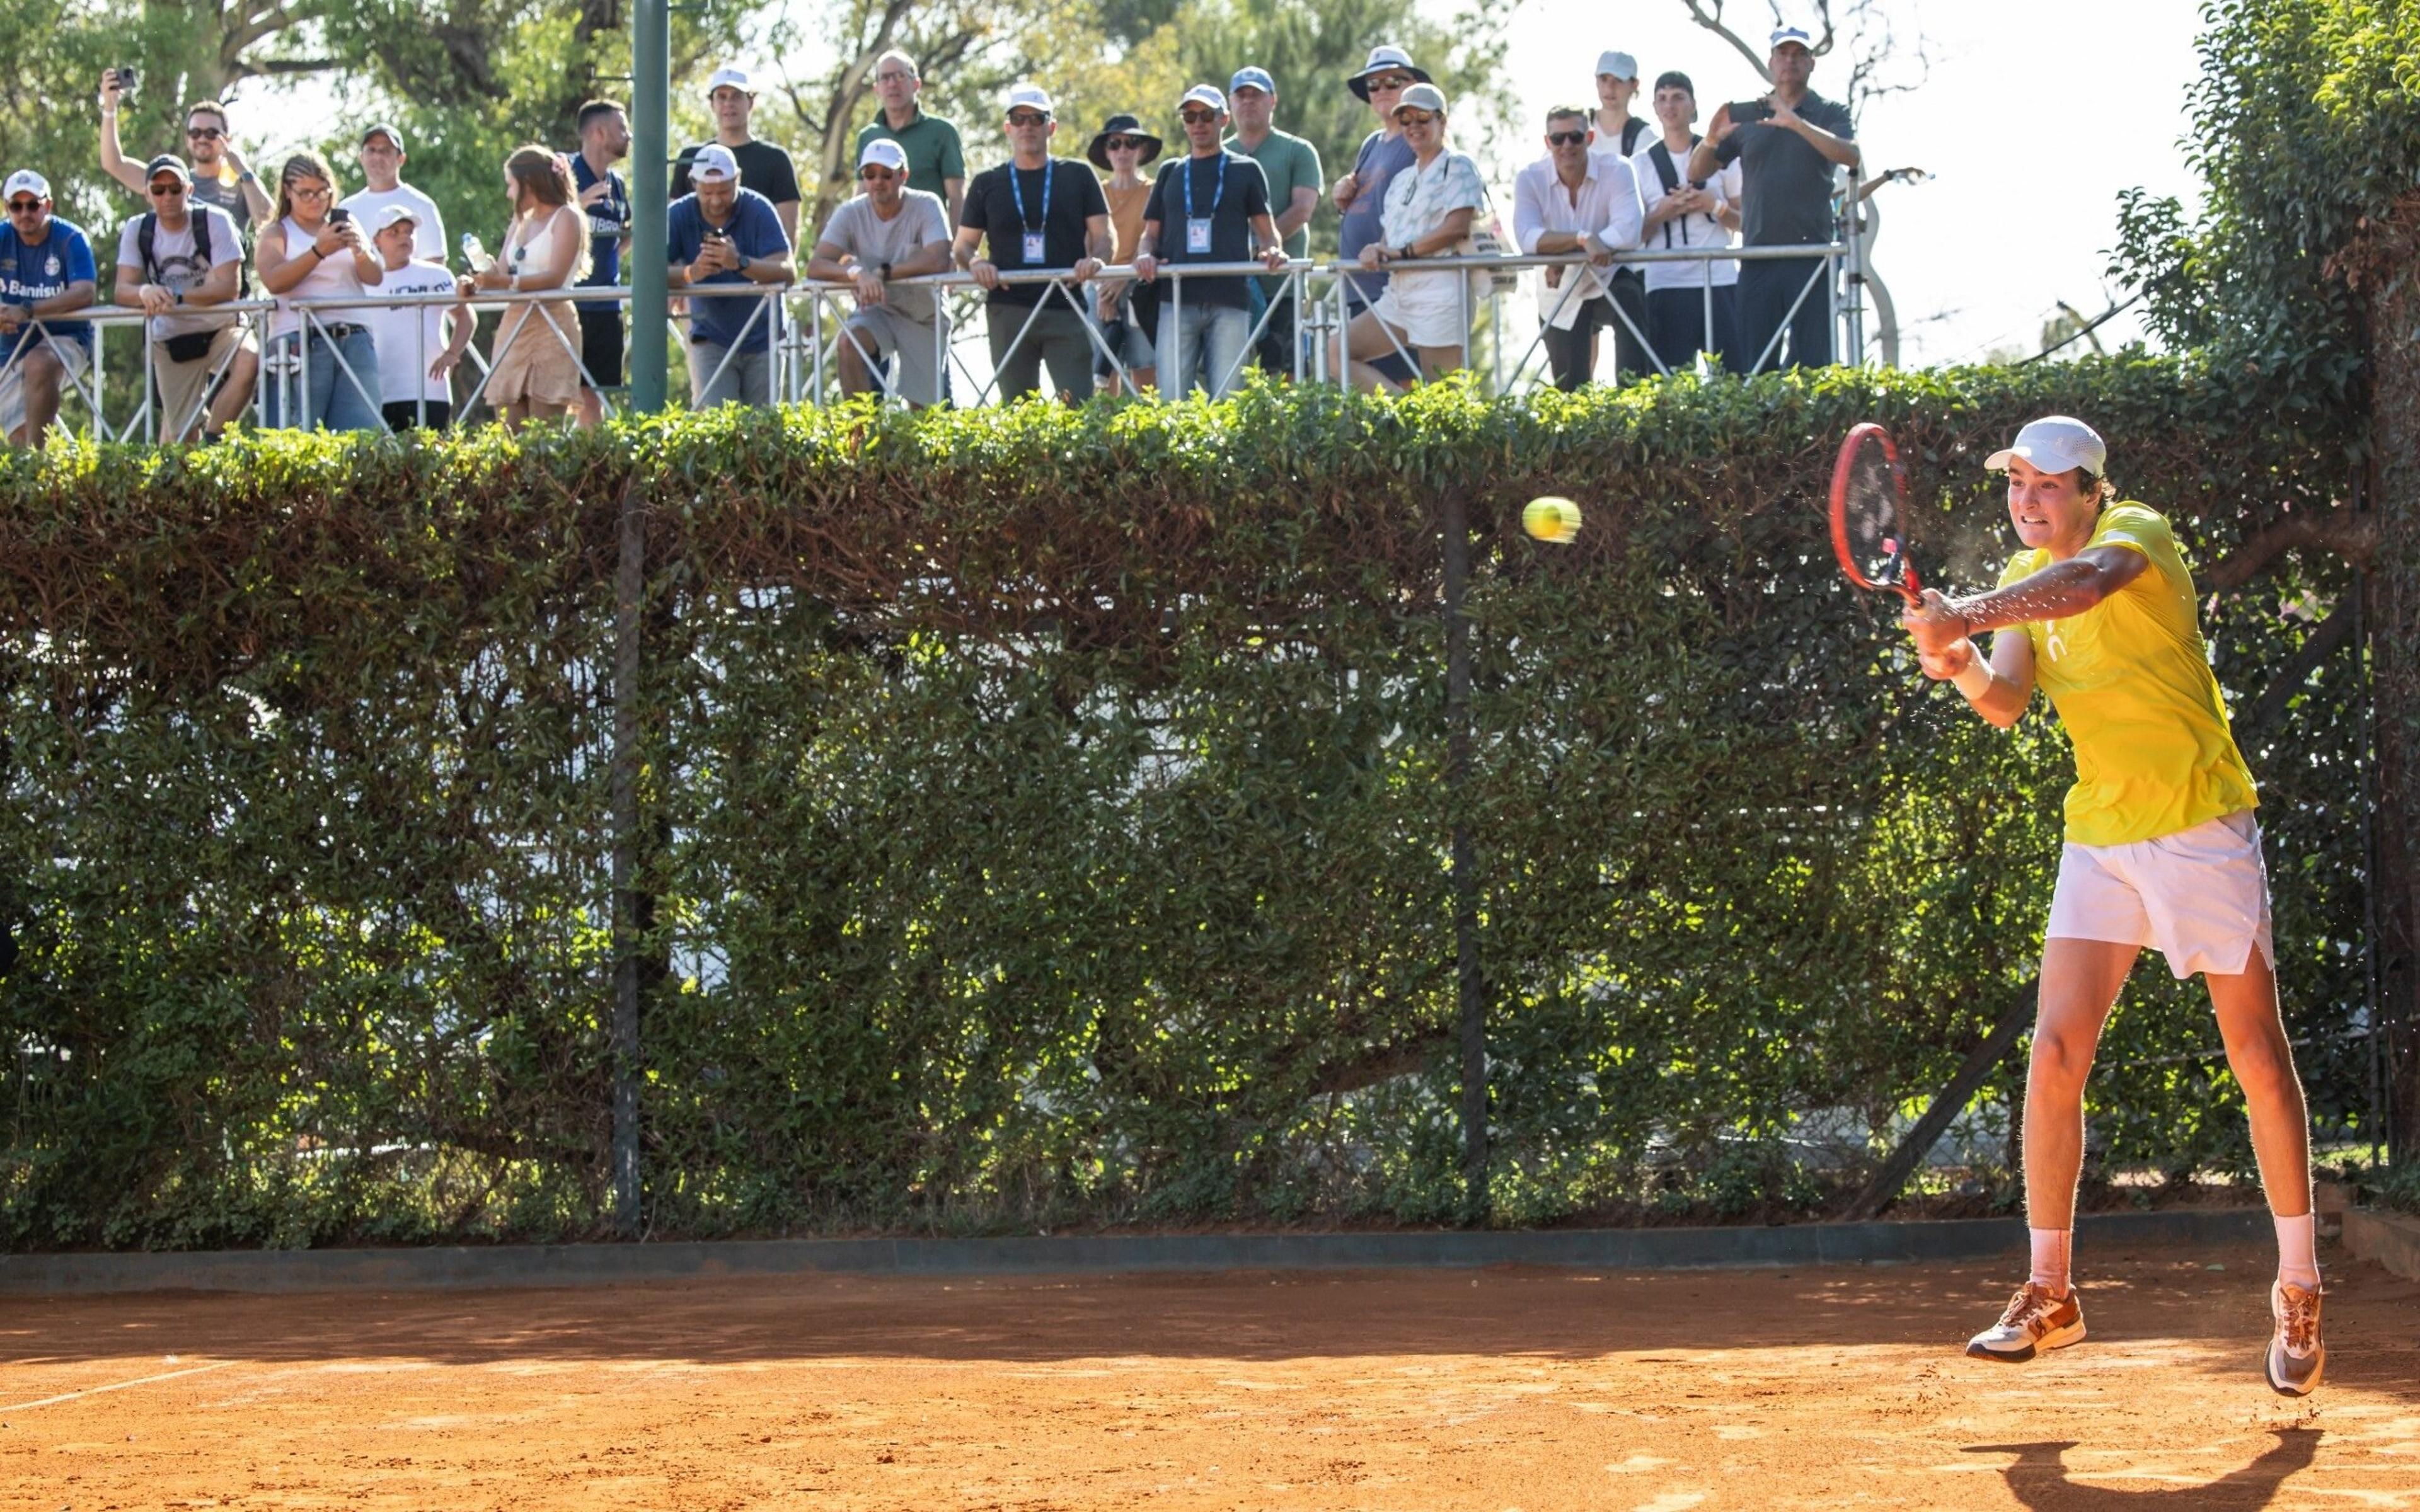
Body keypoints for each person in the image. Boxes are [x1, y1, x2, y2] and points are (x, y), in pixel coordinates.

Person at [1901, 417, 2324, 1397]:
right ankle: (2051, 1292)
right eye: (2017, 483)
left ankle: (2299, 1283)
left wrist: (1963, 612)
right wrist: (1958, 659)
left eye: (2050, 486)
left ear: (2093, 492)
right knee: (2053, 1055)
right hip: (2101, 834)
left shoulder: (2138, 534)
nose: (2029, 501)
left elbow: (2087, 586)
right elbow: (2008, 701)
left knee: (2257, 1054)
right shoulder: (2018, 579)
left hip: (2200, 823)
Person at [1691, 25, 1858, 372]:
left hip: (1812, 257)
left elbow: (1852, 156)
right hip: (1758, 258)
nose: (1790, 61)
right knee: (1757, 371)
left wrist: (1796, 123)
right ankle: (1763, 431)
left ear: (1812, 64)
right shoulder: (1752, 116)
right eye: (1783, 54)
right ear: (1771, 62)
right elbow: (1696, 173)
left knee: (1816, 370)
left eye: (1799, 55)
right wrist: (1710, 138)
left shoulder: (1829, 112)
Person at [953, 83, 1109, 403]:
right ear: (1007, 127)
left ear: (1051, 127)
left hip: (1065, 304)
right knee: (1018, 413)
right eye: (1019, 118)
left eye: (1037, 119)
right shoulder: (987, 182)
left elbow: (1105, 236)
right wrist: (976, 263)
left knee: (1079, 410)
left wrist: (1095, 259)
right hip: (1008, 309)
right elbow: (962, 246)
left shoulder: (1078, 175)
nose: (1027, 126)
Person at [1132, 84, 1287, 401]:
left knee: (1228, 402)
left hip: (1230, 299)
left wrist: (1271, 250)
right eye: (1190, 116)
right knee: (1172, 401)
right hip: (1176, 299)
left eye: (1206, 115)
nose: (1198, 123)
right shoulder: (1170, 171)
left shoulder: (1245, 169)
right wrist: (1145, 256)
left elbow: (1268, 233)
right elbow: (1150, 236)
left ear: (1224, 120)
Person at [1334, 83, 1484, 393]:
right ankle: (1407, 417)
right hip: (1398, 295)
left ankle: (1426, 425)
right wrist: (1377, 249)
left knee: (1445, 400)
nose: (1414, 127)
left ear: (1442, 122)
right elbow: (1390, 237)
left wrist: (1402, 253)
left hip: (1441, 295)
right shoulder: (1403, 178)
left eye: (1423, 118)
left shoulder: (1459, 166)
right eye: (1406, 120)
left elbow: (1457, 227)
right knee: (1334, 352)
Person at [113, 154, 256, 442]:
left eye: (175, 188)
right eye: (159, 189)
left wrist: (176, 297)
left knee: (250, 360)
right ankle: (182, 471)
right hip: (172, 337)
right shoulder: (137, 229)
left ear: (189, 191)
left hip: (222, 328)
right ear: (147, 194)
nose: (167, 196)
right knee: (180, 440)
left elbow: (229, 287)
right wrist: (145, 292)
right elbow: (121, 291)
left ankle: (214, 440)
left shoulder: (216, 221)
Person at [807, 140, 953, 407]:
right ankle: (861, 435)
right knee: (848, 344)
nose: (877, 182)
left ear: (903, 176)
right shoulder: (851, 211)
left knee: (923, 416)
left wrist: (882, 273)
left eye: (886, 175)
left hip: (925, 315)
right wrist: (856, 273)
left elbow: (939, 259)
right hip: (877, 311)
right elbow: (816, 266)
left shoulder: (927, 204)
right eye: (869, 175)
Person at [1511, 106, 1642, 391]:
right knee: (1570, 390)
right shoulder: (1529, 178)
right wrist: (1582, 240)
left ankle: (1633, 403)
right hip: (1560, 290)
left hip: (1607, 276)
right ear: (1547, 142)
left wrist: (1558, 253)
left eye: (1575, 137)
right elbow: (1528, 238)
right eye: (1558, 139)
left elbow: (1629, 230)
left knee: (1631, 301)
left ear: (1590, 137)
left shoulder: (1618, 169)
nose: (1567, 145)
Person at [459, 147, 588, 430]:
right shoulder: (521, 221)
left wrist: (506, 282)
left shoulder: (567, 217)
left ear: (528, 183)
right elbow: (502, 272)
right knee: (509, 427)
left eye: (511, 185)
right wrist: (478, 281)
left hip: (553, 323)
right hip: (516, 323)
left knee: (544, 432)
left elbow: (555, 276)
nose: (508, 194)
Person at [256, 152, 383, 430]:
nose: (315, 199)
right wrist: (318, 251)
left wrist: (361, 253)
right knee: (298, 437)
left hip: (355, 338)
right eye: (306, 193)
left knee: (361, 438)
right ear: (288, 192)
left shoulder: (346, 221)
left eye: (322, 192)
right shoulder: (277, 231)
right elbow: (274, 280)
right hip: (302, 340)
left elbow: (375, 277)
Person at [666, 143, 795, 408]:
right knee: (718, 426)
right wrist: (692, 272)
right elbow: (649, 272)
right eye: (707, 192)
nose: (716, 200)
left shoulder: (759, 208)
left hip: (763, 337)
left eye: (724, 191)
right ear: (693, 184)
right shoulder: (678, 213)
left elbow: (788, 271)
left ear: (738, 180)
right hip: (710, 336)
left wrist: (740, 263)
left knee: (763, 430)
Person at [1331, 45, 1428, 388]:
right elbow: (1366, 201)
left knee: (1404, 381)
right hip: (1360, 284)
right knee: (1358, 389)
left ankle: (1410, 426)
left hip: (1395, 282)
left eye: (1392, 81)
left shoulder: (1418, 137)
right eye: (1374, 85)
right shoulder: (1372, 143)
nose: (1382, 91)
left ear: (1412, 84)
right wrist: (1342, 195)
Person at [1633, 71, 1742, 374]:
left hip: (1719, 279)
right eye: (1663, 99)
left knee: (1733, 379)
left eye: (1678, 97)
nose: (1670, 106)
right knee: (1667, 384)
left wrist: (1713, 206)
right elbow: (1632, 235)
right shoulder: (1640, 165)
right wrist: (1663, 211)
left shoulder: (1724, 157)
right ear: (1654, 107)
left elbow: (1747, 222)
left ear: (1694, 106)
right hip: (1665, 282)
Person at [1224, 66, 1320, 376]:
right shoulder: (1218, 154)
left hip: (1282, 284)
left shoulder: (1299, 151)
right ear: (1230, 103)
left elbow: (1303, 209)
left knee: (1285, 376)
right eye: (1241, 95)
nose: (1248, 102)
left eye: (1256, 95)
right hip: (1230, 286)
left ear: (1273, 101)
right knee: (1230, 377)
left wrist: (1261, 245)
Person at [98, 74, 272, 234]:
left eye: (211, 133)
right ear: (187, 138)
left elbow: (269, 221)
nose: (202, 138)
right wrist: (109, 107)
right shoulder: (172, 180)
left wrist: (242, 170)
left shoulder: (242, 184)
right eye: (195, 133)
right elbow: (114, 164)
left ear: (227, 139)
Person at [0, 171, 96, 445]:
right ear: (7, 208)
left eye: (33, 205)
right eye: (16, 206)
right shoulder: (1, 237)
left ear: (48, 205)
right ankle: (63, 476)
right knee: (21, 441)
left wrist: (28, 309)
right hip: (9, 350)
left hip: (68, 341)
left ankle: (41, 469)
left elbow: (85, 292)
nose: (25, 213)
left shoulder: (71, 238)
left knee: (39, 363)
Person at [360, 205, 472, 430]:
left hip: (430, 389)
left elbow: (465, 315)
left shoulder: (434, 274)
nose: (404, 238)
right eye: (394, 232)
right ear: (377, 240)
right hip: (380, 390)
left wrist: (453, 353)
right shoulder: (365, 283)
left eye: (409, 232)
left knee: (432, 459)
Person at [673, 67, 804, 247]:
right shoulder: (690, 158)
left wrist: (774, 270)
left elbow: (789, 231)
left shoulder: (776, 159)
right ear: (712, 103)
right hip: (697, 269)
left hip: (756, 270)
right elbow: (671, 228)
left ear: (750, 102)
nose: (729, 103)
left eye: (736, 96)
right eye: (722, 96)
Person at [1085, 112, 1161, 394]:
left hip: (1141, 286)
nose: (1123, 151)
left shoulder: (1154, 190)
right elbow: (1089, 243)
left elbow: (1154, 239)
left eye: (1131, 143)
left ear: (1141, 150)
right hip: (1100, 287)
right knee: (1103, 377)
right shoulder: (1096, 191)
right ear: (1106, 152)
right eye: (1115, 144)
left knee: (1145, 374)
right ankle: (1106, 437)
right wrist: (1104, 288)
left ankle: (1149, 436)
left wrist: (1123, 278)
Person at [572, 99, 634, 425]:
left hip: (607, 309)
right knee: (559, 396)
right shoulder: (563, 172)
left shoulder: (619, 185)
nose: (629, 136)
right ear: (598, 132)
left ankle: (591, 469)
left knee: (596, 398)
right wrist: (576, 206)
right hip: (567, 307)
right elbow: (535, 225)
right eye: (622, 128)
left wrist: (610, 258)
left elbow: (629, 233)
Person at [856, 51, 968, 230]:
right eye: (885, 78)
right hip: (876, 244)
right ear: (876, 89)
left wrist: (953, 250)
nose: (892, 84)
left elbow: (957, 197)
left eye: (900, 76)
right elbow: (861, 195)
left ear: (916, 84)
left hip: (927, 242)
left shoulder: (942, 132)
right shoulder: (868, 137)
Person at [340, 124, 446, 266]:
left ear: (401, 159)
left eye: (386, 151)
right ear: (361, 158)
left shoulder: (421, 204)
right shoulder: (346, 209)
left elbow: (434, 264)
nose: (377, 157)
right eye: (371, 150)